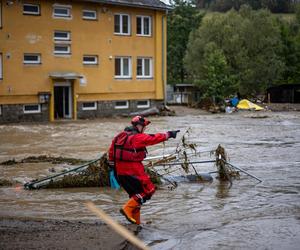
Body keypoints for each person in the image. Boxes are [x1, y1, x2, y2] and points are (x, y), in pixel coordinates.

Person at [108, 115, 179, 225]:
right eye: (144, 127)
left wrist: (113, 169)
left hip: (120, 172)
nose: (145, 129)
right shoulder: (136, 137)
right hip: (133, 169)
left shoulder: (119, 136)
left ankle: (136, 223)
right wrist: (169, 134)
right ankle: (127, 209)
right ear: (138, 126)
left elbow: (111, 153)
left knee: (136, 196)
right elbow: (153, 138)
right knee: (148, 190)